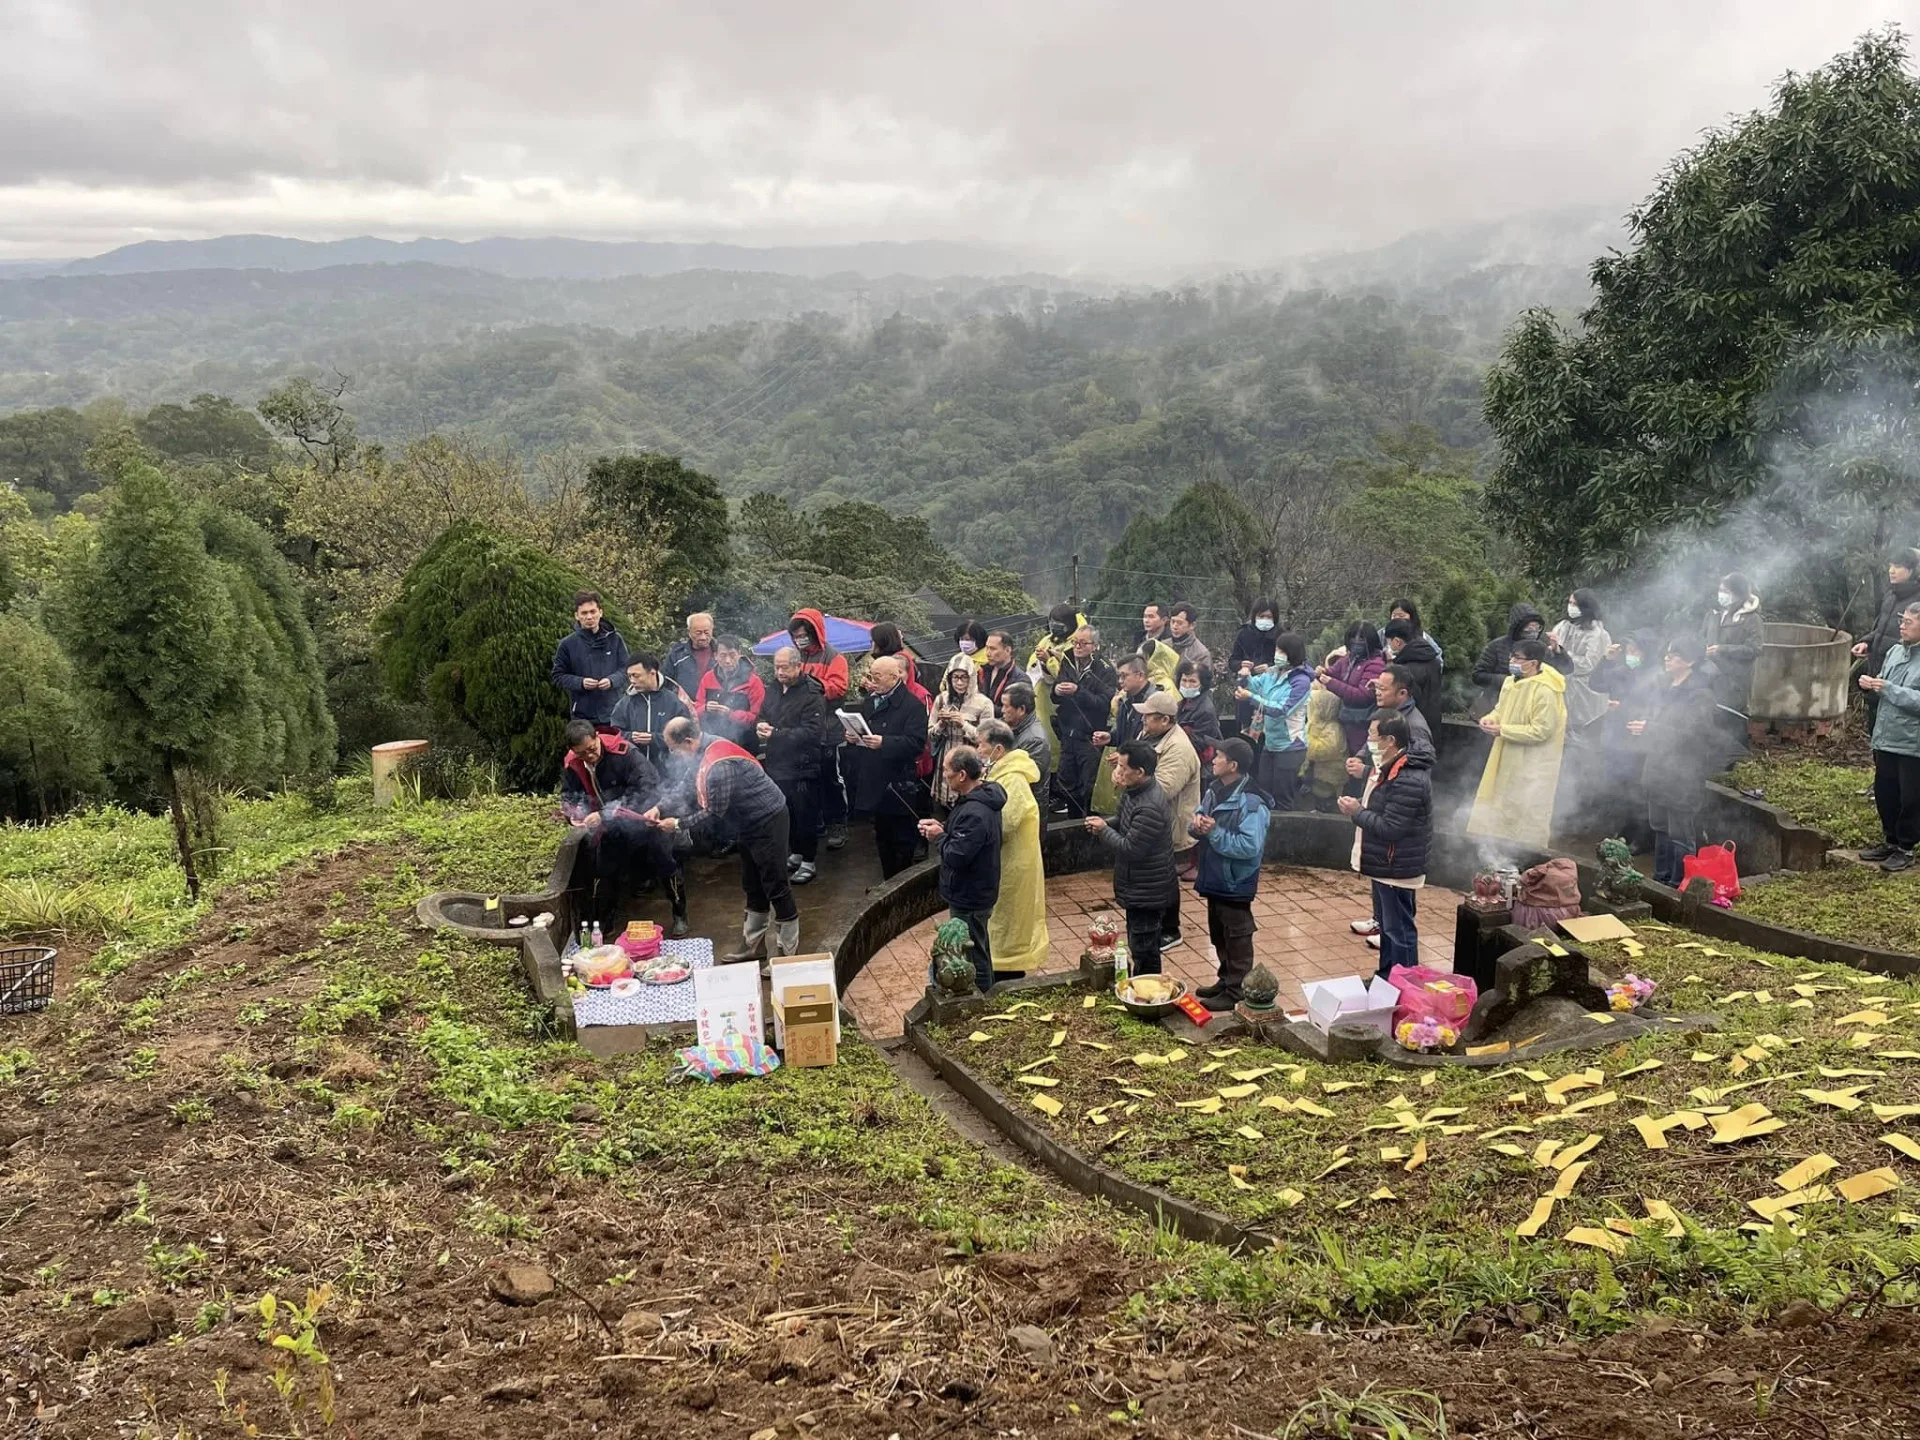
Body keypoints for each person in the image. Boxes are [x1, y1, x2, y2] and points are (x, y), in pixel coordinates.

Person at [651, 717, 797, 959]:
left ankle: (786, 957)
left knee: (776, 886)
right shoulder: (702, 749)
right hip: (746, 823)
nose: (672, 754)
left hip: (767, 820)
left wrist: (677, 824)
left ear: (688, 741)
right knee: (752, 884)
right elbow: (686, 785)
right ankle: (753, 946)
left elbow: (713, 814)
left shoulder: (719, 764)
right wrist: (660, 806)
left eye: (673, 749)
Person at [559, 719, 689, 936]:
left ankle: (679, 913)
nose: (589, 756)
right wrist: (575, 813)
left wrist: (603, 814)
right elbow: (568, 795)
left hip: (644, 817)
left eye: (591, 749)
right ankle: (604, 920)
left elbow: (646, 788)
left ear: (597, 737)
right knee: (603, 869)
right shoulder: (573, 763)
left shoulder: (625, 753)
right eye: (582, 754)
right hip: (610, 825)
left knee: (665, 864)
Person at [1341, 666, 1434, 945]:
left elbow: (1405, 779)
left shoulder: (1415, 726)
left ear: (1402, 693)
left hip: (1399, 849)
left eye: (1383, 689)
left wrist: (1359, 809)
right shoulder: (1388, 719)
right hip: (1385, 842)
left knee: (1400, 915)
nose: (1377, 692)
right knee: (1386, 892)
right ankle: (1382, 923)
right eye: (1376, 687)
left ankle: (1391, 934)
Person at [1626, 638, 1721, 886]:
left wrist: (1651, 728)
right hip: (1658, 769)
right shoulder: (1665, 687)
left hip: (1683, 774)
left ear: (1690, 661)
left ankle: (1680, 884)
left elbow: (1693, 734)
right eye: (1668, 654)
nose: (1667, 658)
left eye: (1675, 655)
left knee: (1680, 833)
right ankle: (1660, 878)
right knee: (1660, 828)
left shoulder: (1701, 695)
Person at [1189, 738, 1270, 1012]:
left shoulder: (1252, 803)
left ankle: (1237, 990)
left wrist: (1214, 832)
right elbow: (1199, 816)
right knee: (1219, 932)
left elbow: (1249, 847)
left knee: (1237, 935)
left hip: (1235, 880)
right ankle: (1224, 981)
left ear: (1233, 765)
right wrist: (1197, 825)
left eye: (1219, 756)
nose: (1213, 759)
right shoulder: (1215, 789)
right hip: (1214, 875)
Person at [917, 746, 1005, 991]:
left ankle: (983, 998)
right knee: (979, 945)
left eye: (947, 770)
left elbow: (957, 855)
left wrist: (939, 837)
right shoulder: (976, 801)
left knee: (973, 952)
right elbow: (963, 839)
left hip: (971, 895)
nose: (943, 774)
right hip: (974, 890)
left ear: (963, 775)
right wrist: (944, 829)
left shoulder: (976, 812)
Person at [1466, 638, 1567, 852]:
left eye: (1517, 658)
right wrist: (1491, 718)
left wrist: (1504, 731)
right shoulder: (1512, 682)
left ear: (1533, 663)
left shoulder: (1545, 691)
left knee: (1525, 812)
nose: (1512, 661)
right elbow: (1502, 709)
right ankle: (1494, 852)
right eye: (1512, 656)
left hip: (1533, 763)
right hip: (1507, 755)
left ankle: (1524, 857)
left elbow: (1542, 730)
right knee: (1500, 805)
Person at [1085, 741, 1174, 979]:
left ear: (1140, 772)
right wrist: (1106, 824)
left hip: (1148, 889)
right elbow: (1124, 821)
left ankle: (1149, 993)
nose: (1119, 771)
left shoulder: (1150, 807)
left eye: (1123, 767)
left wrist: (1104, 830)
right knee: (1139, 943)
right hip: (1137, 885)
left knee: (1145, 949)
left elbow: (1131, 848)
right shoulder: (1135, 792)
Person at [842, 656, 930, 878]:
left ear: (895, 676)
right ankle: (886, 881)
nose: (873, 680)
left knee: (902, 841)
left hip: (899, 784)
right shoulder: (870, 702)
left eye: (878, 676)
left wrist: (885, 742)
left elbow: (916, 743)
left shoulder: (913, 706)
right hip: (874, 781)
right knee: (882, 837)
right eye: (871, 675)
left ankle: (899, 890)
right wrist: (854, 738)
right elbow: (864, 732)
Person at [979, 721, 1048, 980]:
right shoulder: (1000, 773)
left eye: (981, 745)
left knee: (1009, 922)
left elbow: (1005, 824)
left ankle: (1008, 975)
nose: (978, 751)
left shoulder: (1014, 780)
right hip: (1005, 860)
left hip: (1014, 863)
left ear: (998, 749)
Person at [1859, 601, 1920, 873]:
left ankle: (1906, 847)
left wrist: (1888, 689)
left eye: (1908, 622)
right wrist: (1871, 686)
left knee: (1911, 797)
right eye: (1901, 620)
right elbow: (1884, 683)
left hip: (1912, 742)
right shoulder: (1895, 651)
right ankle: (1891, 841)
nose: (1902, 626)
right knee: (1886, 792)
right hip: (1886, 736)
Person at [758, 647, 827, 886]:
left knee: (805, 813)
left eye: (785, 667)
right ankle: (796, 852)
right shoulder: (773, 689)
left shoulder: (811, 693)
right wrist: (761, 725)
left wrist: (776, 734)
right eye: (776, 667)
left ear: (798, 666)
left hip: (803, 764)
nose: (779, 672)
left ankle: (809, 860)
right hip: (777, 762)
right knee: (786, 812)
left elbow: (812, 732)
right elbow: (763, 713)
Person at [1137, 692, 1201, 941]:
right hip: (1155, 820)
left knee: (1165, 878)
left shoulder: (1179, 748)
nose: (1142, 721)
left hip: (1169, 823)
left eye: (1148, 717)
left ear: (1165, 720)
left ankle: (1170, 929)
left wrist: (1131, 774)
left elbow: (1162, 789)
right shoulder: (1152, 735)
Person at [789, 608, 849, 849]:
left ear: (814, 632)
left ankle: (838, 822)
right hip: (803, 728)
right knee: (807, 779)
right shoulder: (796, 657)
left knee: (831, 778)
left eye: (803, 634)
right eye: (795, 635)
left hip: (828, 728)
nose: (799, 639)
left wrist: (817, 685)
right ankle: (817, 821)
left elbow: (840, 687)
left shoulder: (834, 657)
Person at [1046, 625, 1117, 817]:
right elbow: (1055, 694)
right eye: (1075, 642)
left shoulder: (1105, 669)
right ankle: (1072, 823)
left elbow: (1104, 703)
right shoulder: (1067, 659)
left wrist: (1078, 691)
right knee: (1066, 782)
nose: (1077, 647)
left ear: (1095, 646)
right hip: (1067, 732)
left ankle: (1087, 829)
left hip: (1090, 736)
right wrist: (1057, 691)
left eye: (1083, 643)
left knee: (1088, 785)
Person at [1240, 632, 1313, 809]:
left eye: (1281, 650)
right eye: (1277, 649)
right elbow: (1254, 686)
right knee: (1264, 791)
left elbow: (1281, 710)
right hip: (1270, 743)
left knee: (1283, 798)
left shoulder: (1301, 682)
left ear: (1292, 653)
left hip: (1290, 747)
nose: (1277, 654)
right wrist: (1245, 676)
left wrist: (1250, 697)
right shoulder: (1273, 673)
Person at [1854, 550, 1920, 736]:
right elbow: (1883, 628)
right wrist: (1867, 642)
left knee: (1896, 729)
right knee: (1876, 728)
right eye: (1890, 566)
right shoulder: (1891, 595)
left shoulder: (1917, 602)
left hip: (1903, 674)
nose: (1891, 571)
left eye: (1898, 567)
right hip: (1879, 670)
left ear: (1912, 570)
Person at [552, 590, 631, 727]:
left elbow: (627, 669)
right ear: (576, 616)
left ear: (600, 612)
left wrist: (612, 680)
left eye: (593, 611)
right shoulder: (567, 644)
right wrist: (580, 682)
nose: (589, 617)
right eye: (584, 613)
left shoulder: (615, 639)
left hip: (614, 713)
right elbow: (558, 676)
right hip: (582, 716)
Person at [1705, 572, 1763, 754]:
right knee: (1713, 716)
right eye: (1720, 589)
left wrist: (1722, 649)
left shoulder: (1751, 619)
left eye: (1725, 590)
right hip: (1711, 674)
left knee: (1733, 719)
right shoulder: (1715, 615)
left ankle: (1738, 761)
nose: (1721, 594)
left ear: (1738, 593)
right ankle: (1715, 759)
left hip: (1736, 679)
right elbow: (1702, 638)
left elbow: (1754, 649)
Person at [929, 654, 994, 807]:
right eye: (955, 677)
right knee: (942, 807)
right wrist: (941, 724)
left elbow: (987, 739)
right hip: (945, 760)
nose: (959, 682)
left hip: (972, 761)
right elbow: (930, 734)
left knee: (969, 804)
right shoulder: (941, 699)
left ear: (971, 678)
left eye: (964, 677)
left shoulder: (983, 703)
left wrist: (963, 724)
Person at [1320, 621, 1386, 767]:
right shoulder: (1348, 659)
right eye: (1353, 639)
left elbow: (1362, 696)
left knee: (1357, 763)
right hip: (1346, 722)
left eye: (1362, 639)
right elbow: (1333, 672)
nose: (1357, 643)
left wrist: (1331, 683)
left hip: (1362, 724)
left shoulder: (1376, 664)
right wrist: (1322, 672)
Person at [609, 653, 692, 769]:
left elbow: (686, 736)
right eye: (629, 676)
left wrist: (654, 739)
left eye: (636, 676)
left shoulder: (674, 701)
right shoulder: (624, 704)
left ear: (652, 673)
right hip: (635, 771)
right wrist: (631, 737)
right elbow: (613, 735)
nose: (632, 680)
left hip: (669, 772)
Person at [1472, 603, 1545, 718]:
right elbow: (1478, 675)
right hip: (1497, 705)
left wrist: (1558, 652)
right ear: (1518, 627)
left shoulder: (1541, 648)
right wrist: (1506, 681)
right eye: (1529, 627)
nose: (1533, 631)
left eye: (1537, 627)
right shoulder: (1496, 646)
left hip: (1529, 707)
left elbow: (1563, 669)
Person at [693, 635, 765, 749]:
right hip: (712, 741)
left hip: (744, 743)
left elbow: (758, 717)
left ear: (739, 653)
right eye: (723, 655)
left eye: (732, 655)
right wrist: (705, 708)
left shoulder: (753, 681)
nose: (728, 660)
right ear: (715, 656)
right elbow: (696, 709)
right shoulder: (708, 678)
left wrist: (731, 714)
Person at [1227, 597, 1281, 739]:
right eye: (1261, 616)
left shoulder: (1281, 635)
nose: (1265, 620)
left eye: (1269, 617)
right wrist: (1241, 665)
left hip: (1272, 693)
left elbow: (1291, 662)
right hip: (1247, 692)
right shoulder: (1244, 633)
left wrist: (1270, 667)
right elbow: (1232, 661)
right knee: (1245, 737)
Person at [1381, 619, 1443, 741]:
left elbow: (1407, 701)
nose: (1388, 646)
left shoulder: (1406, 669)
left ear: (1397, 641)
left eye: (1389, 642)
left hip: (1412, 727)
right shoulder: (1432, 658)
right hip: (1433, 721)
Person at [1301, 679, 1348, 813]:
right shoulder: (1313, 724)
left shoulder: (1333, 728)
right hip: (1314, 776)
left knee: (1327, 803)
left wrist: (1304, 743)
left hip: (1329, 779)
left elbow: (1322, 751)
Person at [1096, 655, 1158, 754]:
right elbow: (1124, 733)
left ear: (1140, 676)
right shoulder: (1124, 699)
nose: (1120, 681)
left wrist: (1128, 757)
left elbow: (1152, 742)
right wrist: (1110, 737)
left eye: (1124, 676)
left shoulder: (1155, 703)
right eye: (1119, 676)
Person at [1002, 682, 1053, 798]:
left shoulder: (1035, 740)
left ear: (1021, 709)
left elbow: (1025, 780)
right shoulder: (1013, 725)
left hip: (1026, 808)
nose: (1002, 710)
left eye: (1006, 706)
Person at [1174, 659, 1224, 762]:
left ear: (1202, 684)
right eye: (1184, 680)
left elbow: (1200, 743)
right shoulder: (1182, 702)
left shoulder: (1205, 710)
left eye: (1192, 681)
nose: (1187, 685)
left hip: (1200, 763)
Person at [665, 612, 717, 701]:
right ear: (689, 632)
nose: (703, 637)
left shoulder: (721, 653)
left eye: (706, 632)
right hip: (684, 708)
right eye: (698, 633)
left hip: (716, 708)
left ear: (712, 630)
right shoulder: (677, 655)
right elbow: (666, 682)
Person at [977, 630, 1022, 715]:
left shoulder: (1019, 679)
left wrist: (983, 706)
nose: (987, 653)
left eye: (993, 649)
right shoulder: (983, 671)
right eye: (987, 648)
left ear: (1008, 650)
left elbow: (1014, 712)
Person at [1387, 598, 1443, 665]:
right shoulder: (1383, 633)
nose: (1397, 618)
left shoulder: (1421, 635)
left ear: (1411, 616)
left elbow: (1438, 657)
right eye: (1394, 615)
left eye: (1401, 615)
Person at [1166, 602, 1212, 676]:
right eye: (1173, 622)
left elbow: (1205, 683)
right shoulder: (1163, 645)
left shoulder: (1201, 654)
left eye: (1180, 623)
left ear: (1192, 625)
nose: (1174, 626)